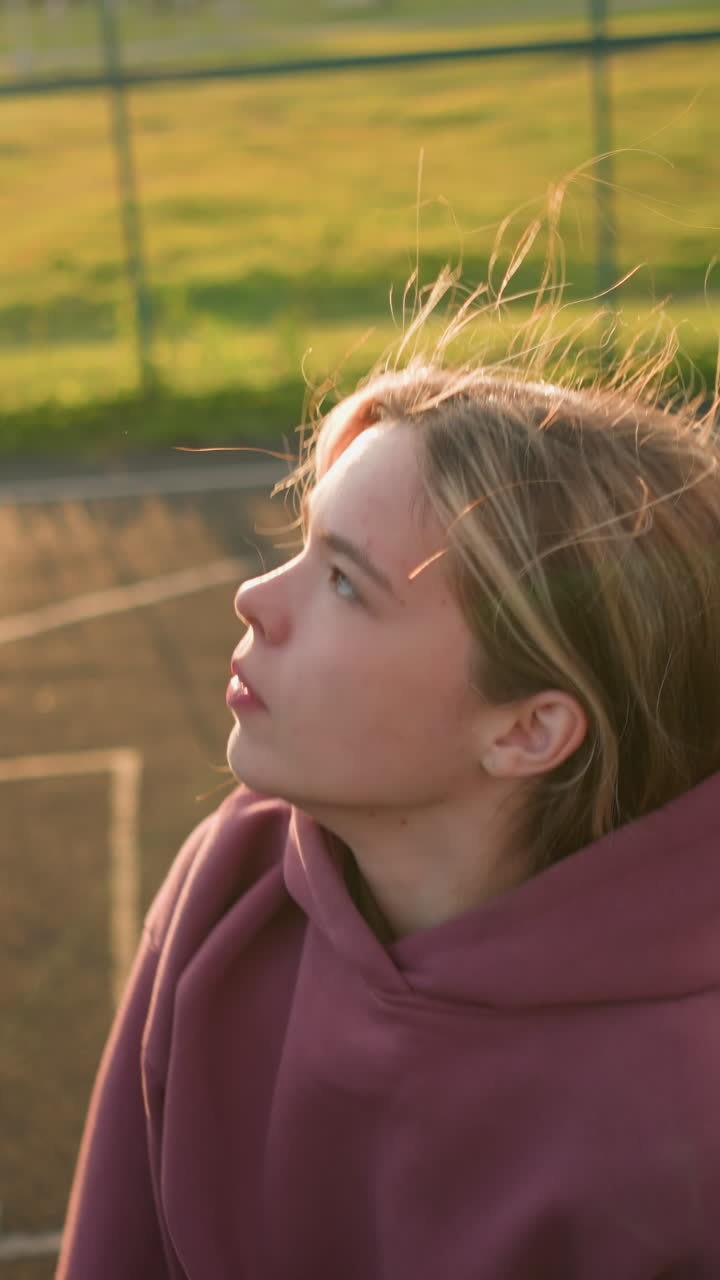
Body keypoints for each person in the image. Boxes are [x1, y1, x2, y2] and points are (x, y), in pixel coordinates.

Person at [57, 316, 720, 1278]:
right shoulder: (231, 881)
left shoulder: (682, 1116)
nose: (255, 598)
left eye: (344, 583)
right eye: (301, 545)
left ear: (527, 731)